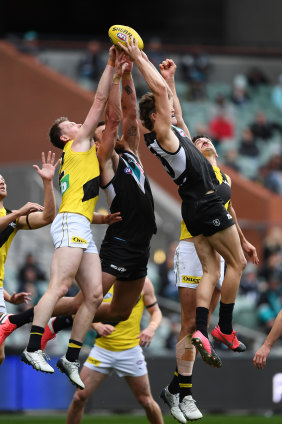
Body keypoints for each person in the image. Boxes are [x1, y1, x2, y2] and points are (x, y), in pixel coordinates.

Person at [120, 38, 248, 369]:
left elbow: (172, 105)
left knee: (211, 271)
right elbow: (162, 98)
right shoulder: (164, 137)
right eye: (165, 114)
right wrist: (137, 55)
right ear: (155, 118)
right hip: (204, 207)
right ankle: (225, 328)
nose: (172, 115)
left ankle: (205, 332)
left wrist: (171, 80)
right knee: (236, 265)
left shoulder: (178, 138)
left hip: (197, 211)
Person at [20, 46, 118, 389]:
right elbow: (100, 102)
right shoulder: (76, 147)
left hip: (81, 224)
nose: (80, 124)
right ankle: (34, 347)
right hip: (70, 224)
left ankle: (70, 357)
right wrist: (110, 66)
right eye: (72, 125)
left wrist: (102, 220)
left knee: (93, 295)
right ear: (65, 137)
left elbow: (82, 198)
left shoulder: (83, 152)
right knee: (60, 287)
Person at [66, 277, 163, 424]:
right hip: (102, 350)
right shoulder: (99, 282)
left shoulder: (143, 282)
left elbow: (156, 311)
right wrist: (97, 325)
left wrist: (151, 328)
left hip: (130, 351)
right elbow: (76, 310)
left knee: (146, 401)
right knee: (79, 398)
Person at [0, 151, 58, 365]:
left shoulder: (10, 215)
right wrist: (17, 214)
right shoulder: (13, 216)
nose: (1, 182)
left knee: (0, 356)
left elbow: (47, 217)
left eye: (3, 180)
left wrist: (47, 182)